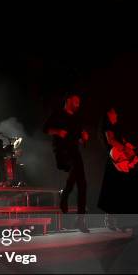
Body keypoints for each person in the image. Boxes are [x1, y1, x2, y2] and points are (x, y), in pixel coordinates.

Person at [43, 93, 89, 232]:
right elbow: (45, 129)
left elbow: (80, 139)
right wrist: (57, 131)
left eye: (79, 103)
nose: (78, 105)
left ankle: (80, 221)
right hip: (62, 152)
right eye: (75, 102)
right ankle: (65, 196)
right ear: (68, 100)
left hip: (74, 152)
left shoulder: (77, 119)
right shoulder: (57, 114)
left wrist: (84, 138)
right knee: (75, 168)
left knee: (83, 185)